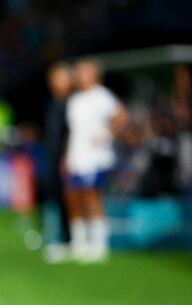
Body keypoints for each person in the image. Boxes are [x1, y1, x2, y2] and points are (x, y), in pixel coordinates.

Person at [64, 59, 128, 262]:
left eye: (83, 71)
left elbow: (121, 116)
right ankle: (79, 243)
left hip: (95, 158)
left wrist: (108, 135)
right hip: (77, 156)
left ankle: (99, 244)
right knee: (74, 196)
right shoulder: (75, 100)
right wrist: (67, 156)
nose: (79, 75)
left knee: (92, 195)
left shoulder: (102, 96)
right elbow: (74, 132)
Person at [41, 63, 73, 263]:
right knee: (53, 197)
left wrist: (67, 156)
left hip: (67, 159)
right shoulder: (52, 104)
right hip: (51, 157)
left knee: (67, 199)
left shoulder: (73, 104)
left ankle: (68, 239)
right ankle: (55, 237)